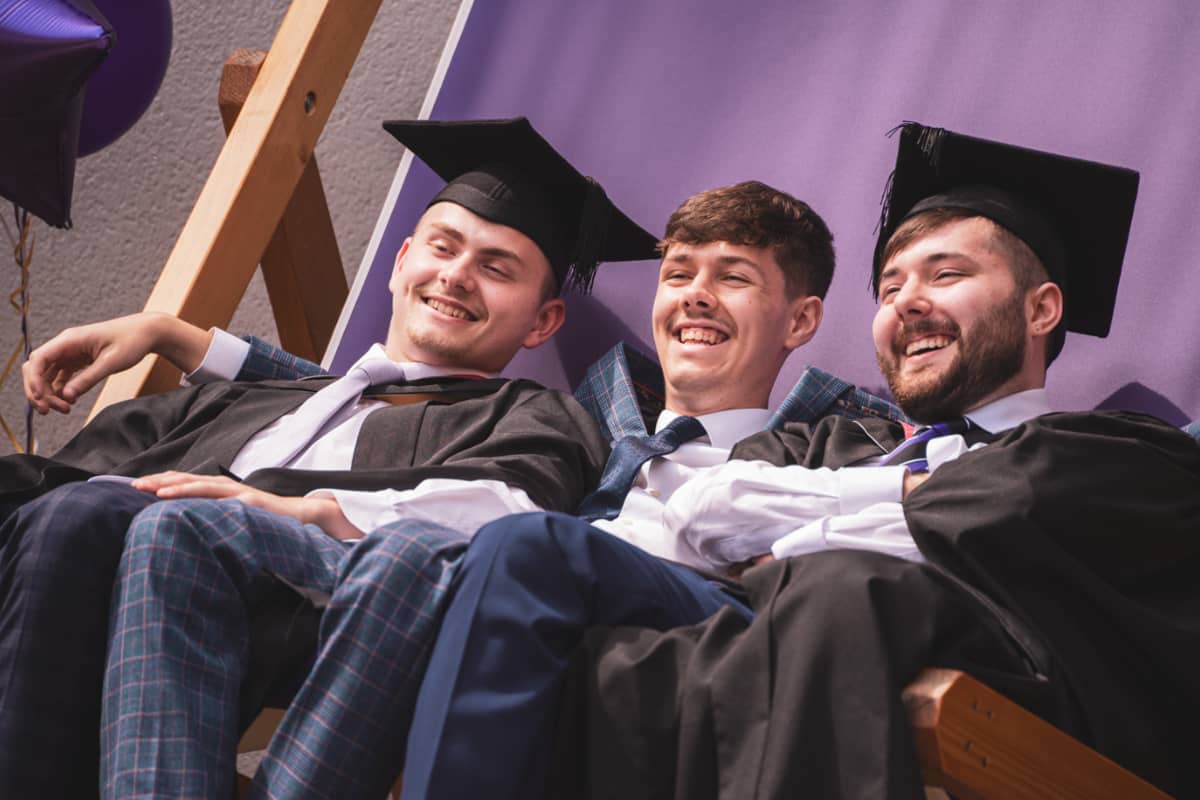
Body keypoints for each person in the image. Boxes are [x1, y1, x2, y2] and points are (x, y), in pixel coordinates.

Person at [0, 117, 658, 799]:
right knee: (63, 509)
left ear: (542, 322)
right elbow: (81, 468)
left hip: (317, 589)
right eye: (443, 247)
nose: (457, 276)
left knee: (97, 514)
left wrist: (295, 509)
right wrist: (165, 331)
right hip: (125, 557)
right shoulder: (270, 396)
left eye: (495, 268)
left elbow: (504, 513)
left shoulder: (528, 413)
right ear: (401, 262)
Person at [549, 123, 1200, 800]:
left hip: (1034, 727)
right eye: (889, 290)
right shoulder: (829, 443)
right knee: (619, 653)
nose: (906, 303)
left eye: (946, 274)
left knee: (839, 586)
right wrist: (917, 501)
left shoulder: (1113, 455)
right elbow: (705, 509)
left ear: (1041, 310)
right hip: (791, 695)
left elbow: (1016, 509)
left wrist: (800, 543)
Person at [399, 179, 848, 799]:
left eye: (732, 278)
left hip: (720, 619)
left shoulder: (831, 452)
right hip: (551, 615)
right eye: (678, 274)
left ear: (800, 320)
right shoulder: (577, 429)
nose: (695, 296)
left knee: (525, 545)